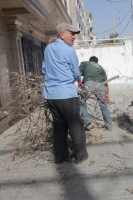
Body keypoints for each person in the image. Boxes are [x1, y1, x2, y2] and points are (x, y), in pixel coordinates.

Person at [42, 23, 88, 164]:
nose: (74, 37)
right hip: (66, 94)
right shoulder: (68, 50)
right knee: (75, 125)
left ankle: (61, 157)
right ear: (62, 34)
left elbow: (44, 68)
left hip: (51, 95)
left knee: (59, 127)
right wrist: (76, 78)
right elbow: (75, 73)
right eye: (72, 34)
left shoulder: (48, 48)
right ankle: (80, 155)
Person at [79, 56, 112, 130]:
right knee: (103, 104)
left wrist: (79, 83)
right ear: (97, 62)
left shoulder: (85, 63)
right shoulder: (100, 67)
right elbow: (105, 83)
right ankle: (109, 125)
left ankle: (87, 122)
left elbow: (77, 73)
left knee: (82, 102)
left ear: (90, 60)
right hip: (101, 85)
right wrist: (107, 96)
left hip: (89, 84)